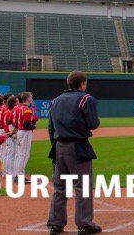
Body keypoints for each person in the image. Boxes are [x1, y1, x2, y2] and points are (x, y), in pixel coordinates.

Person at [47, 71, 102, 235]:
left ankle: (55, 224)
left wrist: (55, 149)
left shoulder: (55, 101)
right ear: (82, 84)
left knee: (59, 187)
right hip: (77, 147)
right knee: (82, 186)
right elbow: (93, 123)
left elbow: (51, 128)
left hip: (59, 146)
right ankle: (84, 223)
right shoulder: (86, 99)